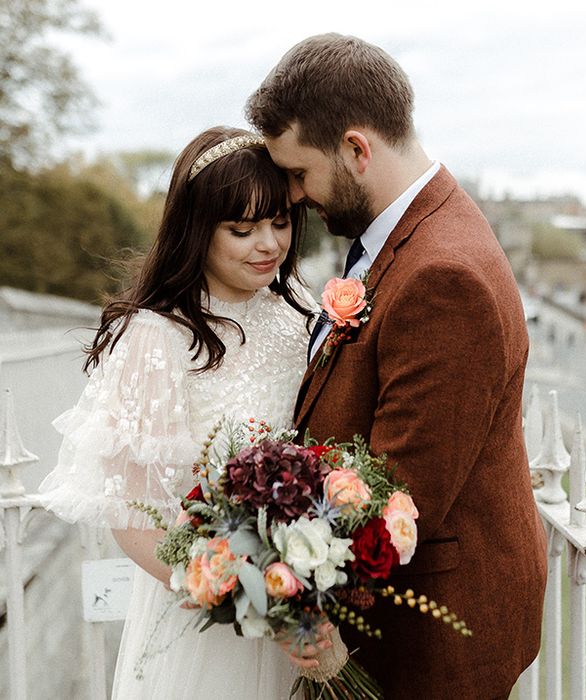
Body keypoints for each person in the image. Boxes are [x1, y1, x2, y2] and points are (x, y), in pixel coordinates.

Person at [247, 33, 548, 699]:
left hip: (424, 651)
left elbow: (399, 496)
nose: (294, 197)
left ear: (356, 150)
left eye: (299, 173)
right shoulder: (414, 231)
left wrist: (276, 580)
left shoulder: (442, 275)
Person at [39, 126, 315, 698]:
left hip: (306, 606)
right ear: (198, 231)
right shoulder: (154, 338)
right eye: (242, 229)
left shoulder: (301, 318)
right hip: (204, 618)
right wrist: (242, 596)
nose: (268, 244)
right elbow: (134, 516)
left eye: (280, 223)